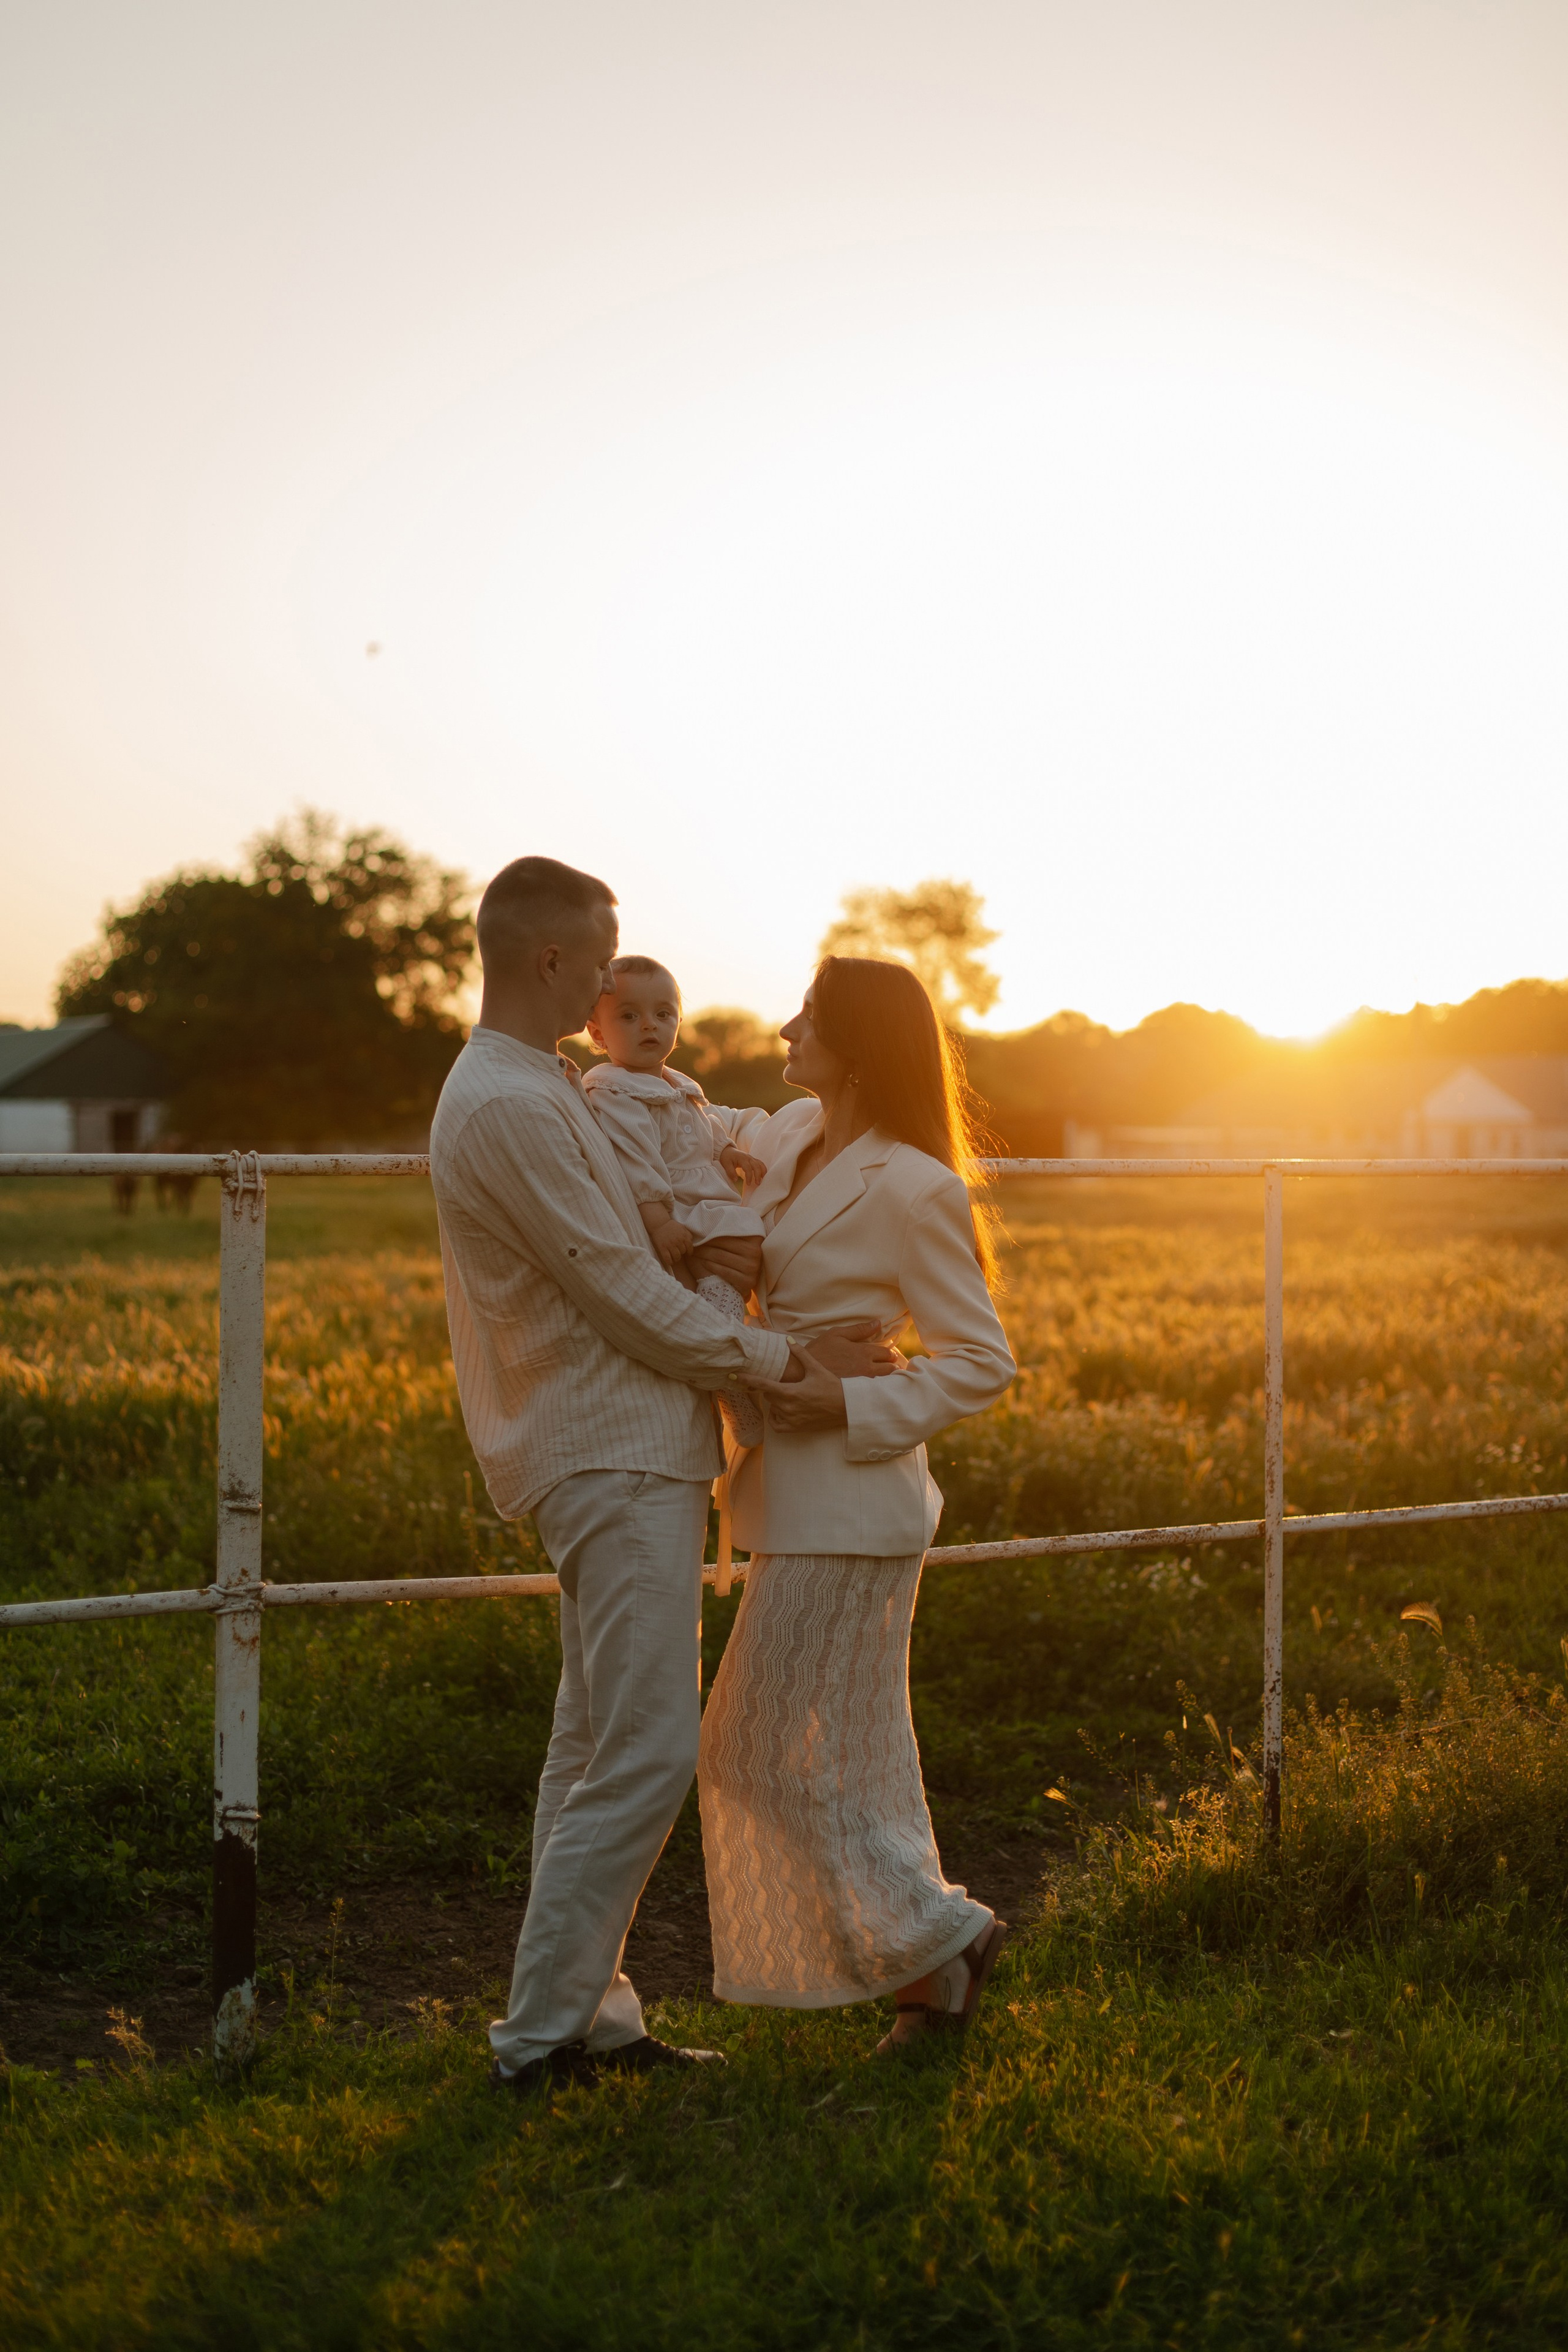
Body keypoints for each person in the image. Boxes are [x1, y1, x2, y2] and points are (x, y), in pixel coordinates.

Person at [429, 858, 895, 2093]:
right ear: (550, 964)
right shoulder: (515, 1106)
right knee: (642, 1749)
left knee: (589, 1747)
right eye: (597, 963)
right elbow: (624, 1297)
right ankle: (535, 2042)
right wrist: (792, 1355)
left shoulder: (552, 1087)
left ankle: (592, 2020)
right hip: (610, 1446)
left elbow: (658, 1210)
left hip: (618, 1443)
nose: (607, 985)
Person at [698, 956, 1017, 2050]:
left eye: (812, 1018)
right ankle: (929, 1983)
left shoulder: (919, 1185)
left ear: (861, 1045)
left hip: (857, 1500)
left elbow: (981, 1361)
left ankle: (942, 1931)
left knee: (747, 1747)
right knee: (849, 1754)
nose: (787, 1027)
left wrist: (838, 1396)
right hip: (784, 1494)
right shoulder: (786, 1134)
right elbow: (693, 1118)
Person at [582, 954, 767, 1449]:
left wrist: (728, 1151)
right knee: (717, 1279)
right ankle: (733, 1382)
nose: (650, 1025)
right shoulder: (615, 1089)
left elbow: (707, 1130)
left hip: (708, 1200)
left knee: (732, 1271)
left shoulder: (680, 1084)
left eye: (664, 1014)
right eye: (629, 1016)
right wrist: (659, 1219)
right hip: (677, 1209)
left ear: (679, 1024)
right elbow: (635, 1159)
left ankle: (735, 1362)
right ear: (597, 1034)